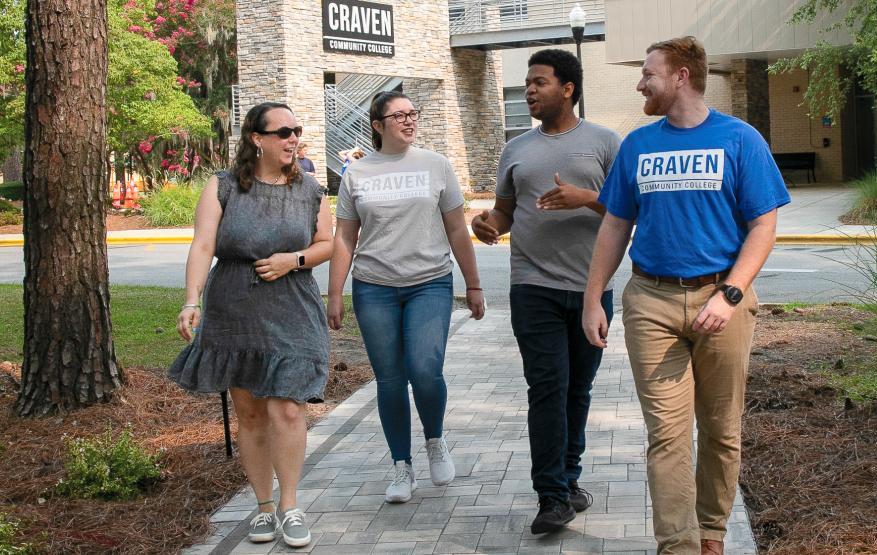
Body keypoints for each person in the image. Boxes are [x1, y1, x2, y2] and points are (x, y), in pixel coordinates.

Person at [582, 36, 790, 555]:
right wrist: (593, 298)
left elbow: (763, 225)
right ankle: (677, 544)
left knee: (720, 430)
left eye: (647, 74)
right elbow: (614, 225)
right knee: (668, 436)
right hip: (650, 300)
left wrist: (730, 295)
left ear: (680, 77)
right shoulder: (637, 145)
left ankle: (712, 536)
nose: (639, 84)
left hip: (721, 298)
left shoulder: (740, 140)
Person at [170, 102, 333, 548]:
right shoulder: (223, 187)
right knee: (251, 411)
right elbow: (203, 244)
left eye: (296, 131)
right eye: (283, 132)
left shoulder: (310, 190)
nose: (292, 139)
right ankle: (263, 507)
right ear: (256, 139)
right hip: (234, 306)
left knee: (288, 406)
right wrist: (191, 300)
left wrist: (292, 261)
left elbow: (327, 244)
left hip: (293, 305)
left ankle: (291, 505)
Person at [471, 48, 620, 535]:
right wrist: (487, 225)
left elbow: (627, 212)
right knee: (548, 389)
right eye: (528, 84)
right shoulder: (516, 149)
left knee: (578, 389)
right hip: (531, 286)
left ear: (568, 88)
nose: (530, 91)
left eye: (539, 82)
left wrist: (587, 198)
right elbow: (505, 212)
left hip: (592, 290)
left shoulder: (604, 143)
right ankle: (552, 496)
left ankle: (569, 478)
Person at [328, 91, 485, 504]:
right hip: (373, 286)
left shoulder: (436, 165)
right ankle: (402, 465)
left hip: (429, 282)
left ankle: (435, 440)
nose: (409, 120)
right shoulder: (357, 174)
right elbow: (345, 236)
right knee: (391, 379)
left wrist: (473, 284)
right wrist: (334, 293)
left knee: (425, 368)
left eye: (412, 113)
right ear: (377, 125)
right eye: (398, 115)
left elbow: (456, 229)